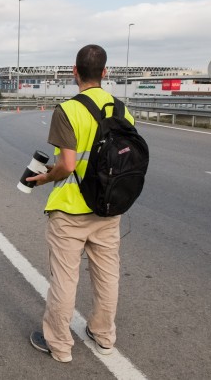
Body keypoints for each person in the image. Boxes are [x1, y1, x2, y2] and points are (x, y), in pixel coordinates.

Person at [27, 45, 135, 363]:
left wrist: (45, 178)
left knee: (64, 278)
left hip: (71, 208)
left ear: (74, 72)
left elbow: (68, 165)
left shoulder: (68, 110)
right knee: (107, 275)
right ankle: (103, 335)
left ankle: (60, 345)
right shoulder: (122, 110)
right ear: (105, 72)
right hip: (109, 206)